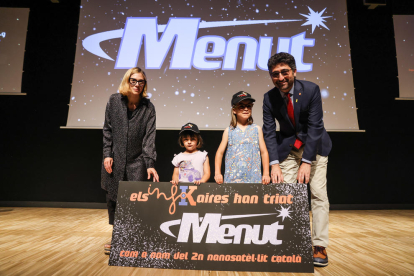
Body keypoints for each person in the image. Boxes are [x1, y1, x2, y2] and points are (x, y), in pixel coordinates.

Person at [262, 52, 332, 267]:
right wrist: (273, 163)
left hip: (314, 147)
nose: (280, 77)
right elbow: (268, 131)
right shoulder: (269, 97)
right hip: (289, 149)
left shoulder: (310, 89)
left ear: (293, 71)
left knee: (318, 194)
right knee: (285, 194)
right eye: (275, 74)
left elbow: (315, 127)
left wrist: (307, 161)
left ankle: (319, 245)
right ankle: (291, 241)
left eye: (285, 72)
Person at [101, 67, 159, 255]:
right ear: (127, 81)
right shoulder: (114, 101)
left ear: (144, 84)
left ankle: (134, 238)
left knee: (136, 201)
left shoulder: (148, 108)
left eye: (140, 81)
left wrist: (149, 164)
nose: (136, 85)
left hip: (137, 161)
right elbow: (107, 129)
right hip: (116, 159)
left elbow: (149, 138)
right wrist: (107, 154)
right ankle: (117, 237)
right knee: (114, 199)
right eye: (133, 80)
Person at [215, 91, 270, 185]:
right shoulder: (229, 131)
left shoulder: (256, 129)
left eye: (249, 106)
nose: (246, 109)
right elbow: (219, 153)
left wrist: (266, 173)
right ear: (234, 110)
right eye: (241, 106)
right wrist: (217, 173)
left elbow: (264, 152)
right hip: (232, 179)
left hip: (253, 178)